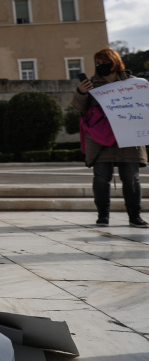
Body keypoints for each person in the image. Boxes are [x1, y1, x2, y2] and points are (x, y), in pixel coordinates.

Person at [73, 47, 148, 228]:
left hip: (128, 137)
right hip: (101, 139)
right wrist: (81, 93)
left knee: (131, 177)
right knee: (101, 177)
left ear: (115, 62)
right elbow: (78, 109)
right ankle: (103, 215)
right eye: (98, 63)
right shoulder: (90, 84)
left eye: (105, 62)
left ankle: (134, 215)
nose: (101, 66)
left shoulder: (134, 83)